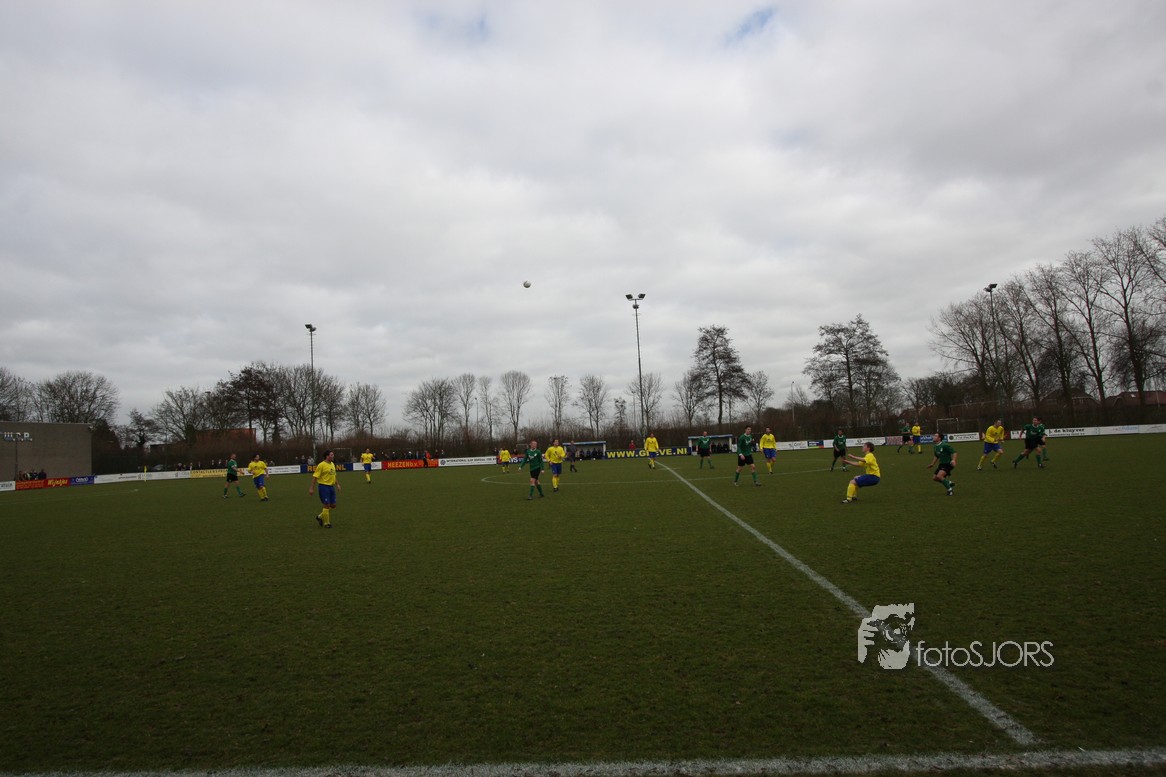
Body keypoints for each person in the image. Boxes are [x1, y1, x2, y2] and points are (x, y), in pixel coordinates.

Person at [308, 449, 340, 528]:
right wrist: (311, 488)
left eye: (333, 455)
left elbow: (333, 476)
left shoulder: (332, 464)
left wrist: (337, 484)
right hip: (323, 487)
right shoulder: (321, 465)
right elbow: (315, 477)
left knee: (333, 505)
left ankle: (319, 517)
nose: (333, 456)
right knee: (326, 505)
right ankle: (327, 523)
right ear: (327, 456)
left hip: (331, 487)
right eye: (331, 455)